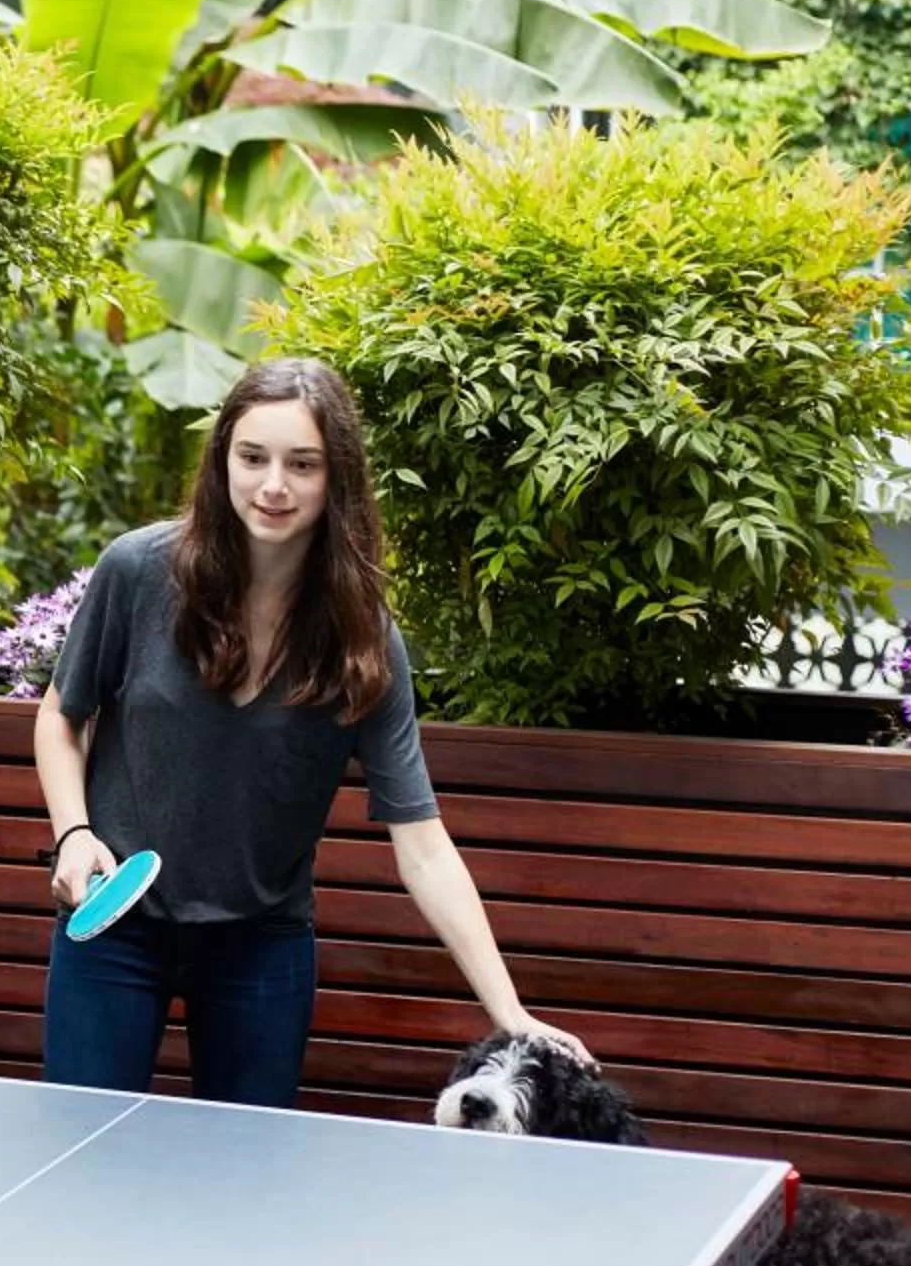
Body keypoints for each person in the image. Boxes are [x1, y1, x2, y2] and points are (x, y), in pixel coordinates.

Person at [29, 356, 593, 1106]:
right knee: (80, 1151)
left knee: (247, 1165)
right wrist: (73, 835)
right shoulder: (137, 571)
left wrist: (509, 1012)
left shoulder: (364, 640)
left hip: (260, 945)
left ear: (337, 479)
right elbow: (61, 716)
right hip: (115, 926)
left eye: (302, 464)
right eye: (252, 457)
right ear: (222, 460)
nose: (273, 485)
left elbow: (424, 846)